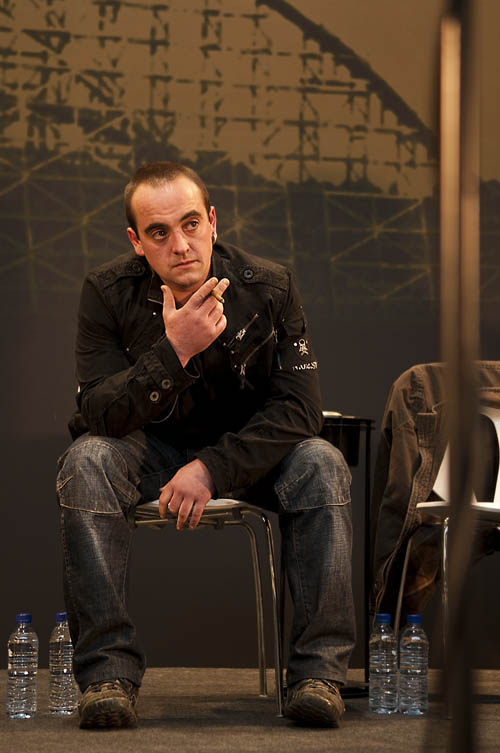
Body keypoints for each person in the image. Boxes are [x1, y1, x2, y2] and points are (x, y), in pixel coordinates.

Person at [56, 161, 355, 730]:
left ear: (213, 221)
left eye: (191, 224)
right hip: (148, 454)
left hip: (248, 458)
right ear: (137, 242)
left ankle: (318, 675)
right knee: (86, 461)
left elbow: (299, 410)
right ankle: (106, 676)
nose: (180, 245)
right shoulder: (107, 291)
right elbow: (98, 412)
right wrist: (175, 352)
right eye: (159, 232)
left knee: (322, 461)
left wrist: (211, 469)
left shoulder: (270, 287)